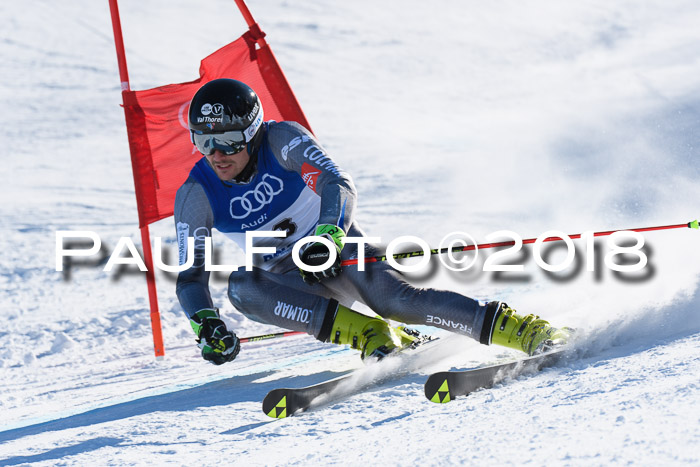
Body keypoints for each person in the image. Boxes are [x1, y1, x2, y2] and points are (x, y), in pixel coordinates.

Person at [175, 78, 572, 365]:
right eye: (202, 141)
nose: (216, 153)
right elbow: (191, 277)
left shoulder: (281, 141)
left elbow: (336, 182)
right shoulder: (197, 193)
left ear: (253, 131)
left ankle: (521, 329)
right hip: (289, 283)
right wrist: (205, 323)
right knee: (242, 287)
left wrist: (329, 235)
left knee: (396, 301)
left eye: (227, 140)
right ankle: (370, 335)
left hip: (338, 250)